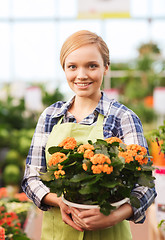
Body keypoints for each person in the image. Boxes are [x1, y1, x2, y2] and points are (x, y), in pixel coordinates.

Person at [22, 30, 156, 240]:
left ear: (106, 67)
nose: (81, 75)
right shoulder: (50, 116)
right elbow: (31, 177)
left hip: (110, 233)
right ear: (64, 69)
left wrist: (114, 216)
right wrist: (58, 201)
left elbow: (146, 185)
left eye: (92, 65)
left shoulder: (123, 117)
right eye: (72, 66)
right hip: (59, 233)